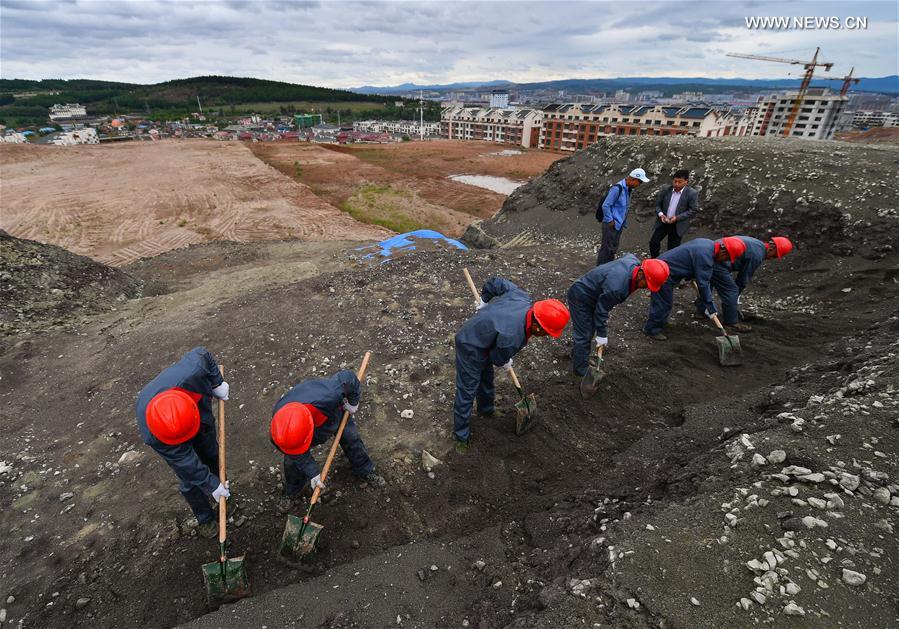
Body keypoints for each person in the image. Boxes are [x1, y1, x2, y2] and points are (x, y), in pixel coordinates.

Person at [454, 278, 570, 452]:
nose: (545, 336)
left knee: (486, 378)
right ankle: (460, 437)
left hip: (487, 338)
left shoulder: (521, 297)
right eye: (546, 332)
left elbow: (497, 283)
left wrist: (486, 300)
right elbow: (496, 357)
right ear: (538, 327)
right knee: (467, 389)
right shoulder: (513, 334)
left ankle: (486, 410)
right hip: (470, 344)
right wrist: (505, 359)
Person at [136, 347, 231, 538]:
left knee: (212, 455)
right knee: (190, 478)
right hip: (169, 437)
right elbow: (187, 463)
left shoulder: (191, 370)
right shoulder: (153, 433)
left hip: (197, 418)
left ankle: (223, 495)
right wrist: (209, 484)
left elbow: (203, 353)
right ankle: (205, 517)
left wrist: (217, 382)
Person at [270, 370, 385, 513]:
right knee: (292, 461)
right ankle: (293, 490)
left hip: (332, 413)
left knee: (351, 439)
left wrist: (353, 403)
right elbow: (296, 454)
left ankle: (365, 469)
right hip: (303, 426)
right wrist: (313, 473)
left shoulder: (329, 394)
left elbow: (348, 378)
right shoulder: (279, 429)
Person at [567, 256, 670, 378]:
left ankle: (578, 356)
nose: (647, 288)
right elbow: (601, 311)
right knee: (584, 333)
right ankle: (580, 370)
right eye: (647, 284)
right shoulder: (617, 288)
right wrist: (602, 334)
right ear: (641, 274)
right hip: (581, 296)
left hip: (594, 293)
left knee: (589, 330)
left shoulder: (634, 263)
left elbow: (627, 255)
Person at [642, 237, 747, 341]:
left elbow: (690, 259)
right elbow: (703, 284)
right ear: (724, 251)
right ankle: (652, 329)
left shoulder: (707, 244)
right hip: (660, 272)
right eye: (727, 257)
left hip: (666, 267)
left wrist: (691, 274)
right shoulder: (705, 256)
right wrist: (710, 307)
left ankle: (661, 322)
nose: (725, 261)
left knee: (665, 301)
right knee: (663, 302)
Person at [698, 236, 794, 332]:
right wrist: (735, 298)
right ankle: (731, 322)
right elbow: (743, 278)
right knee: (731, 291)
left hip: (709, 252)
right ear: (772, 248)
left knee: (709, 281)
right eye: (775, 255)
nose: (773, 258)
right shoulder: (757, 255)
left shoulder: (757, 244)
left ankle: (701, 310)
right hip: (718, 260)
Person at [595, 168, 650, 265]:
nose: (639, 185)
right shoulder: (617, 189)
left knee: (613, 248)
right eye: (640, 182)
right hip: (611, 224)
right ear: (633, 179)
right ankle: (600, 269)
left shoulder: (628, 189)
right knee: (606, 248)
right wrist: (610, 220)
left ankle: (607, 267)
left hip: (618, 224)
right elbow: (606, 205)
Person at [649, 169, 699, 258]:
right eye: (675, 181)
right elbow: (657, 205)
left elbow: (693, 210)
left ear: (686, 182)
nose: (676, 184)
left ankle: (669, 267)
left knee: (672, 249)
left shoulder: (692, 193)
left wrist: (677, 218)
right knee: (654, 242)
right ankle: (654, 261)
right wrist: (661, 215)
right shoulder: (666, 189)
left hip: (677, 224)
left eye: (680, 182)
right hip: (663, 222)